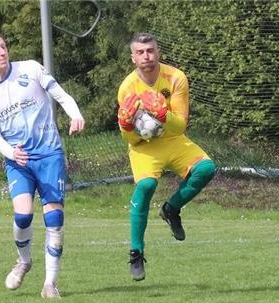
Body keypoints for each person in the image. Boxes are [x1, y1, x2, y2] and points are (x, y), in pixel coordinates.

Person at [0, 31, 85, 299]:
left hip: (49, 154)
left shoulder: (31, 69)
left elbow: (61, 95)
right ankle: (24, 261)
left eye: (3, 46)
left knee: (54, 218)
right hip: (18, 159)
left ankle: (50, 284)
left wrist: (75, 114)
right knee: (23, 216)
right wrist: (12, 152)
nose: (2, 52)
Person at [117, 32, 216, 281]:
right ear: (133, 58)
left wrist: (163, 116)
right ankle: (136, 253)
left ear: (158, 52)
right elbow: (130, 139)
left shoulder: (176, 78)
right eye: (140, 52)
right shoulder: (127, 88)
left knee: (206, 168)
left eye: (150, 51)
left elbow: (180, 125)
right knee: (146, 185)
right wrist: (126, 126)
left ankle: (171, 209)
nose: (146, 56)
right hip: (144, 146)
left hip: (173, 140)